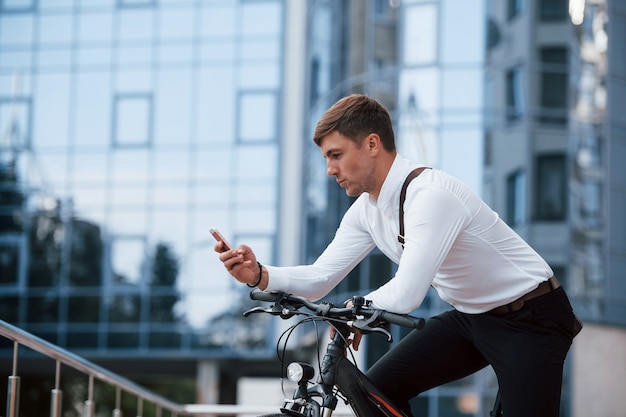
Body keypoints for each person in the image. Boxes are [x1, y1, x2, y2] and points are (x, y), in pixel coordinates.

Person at [215, 94, 581, 417]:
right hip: (472, 317)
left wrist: (352, 311)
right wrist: (260, 274)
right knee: (378, 392)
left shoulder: (431, 196)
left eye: (336, 155)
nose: (330, 170)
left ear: (372, 143)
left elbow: (406, 293)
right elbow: (320, 277)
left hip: (531, 317)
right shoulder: (367, 211)